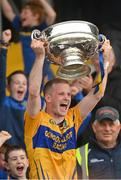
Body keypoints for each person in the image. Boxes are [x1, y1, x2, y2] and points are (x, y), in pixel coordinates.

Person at [24, 38, 109, 179]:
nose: (67, 98)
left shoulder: (72, 117)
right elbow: (33, 93)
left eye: (69, 94)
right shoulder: (36, 120)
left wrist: (103, 60)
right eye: (61, 94)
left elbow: (98, 94)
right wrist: (40, 57)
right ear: (48, 98)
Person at [1, 0, 56, 78]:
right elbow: (8, 12)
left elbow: (52, 15)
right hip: (26, 73)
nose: (21, 15)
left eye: (25, 12)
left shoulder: (42, 28)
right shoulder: (21, 26)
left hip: (43, 72)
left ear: (35, 16)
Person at [77, 106, 121, 179]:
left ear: (119, 128)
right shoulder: (81, 154)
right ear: (94, 128)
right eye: (103, 124)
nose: (107, 129)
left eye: (111, 124)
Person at [0, 29, 27, 147]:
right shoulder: (3, 102)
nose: (21, 86)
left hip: (25, 160)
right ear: (8, 86)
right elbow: (1, 76)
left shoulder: (32, 106)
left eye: (24, 83)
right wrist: (4, 47)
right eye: (17, 82)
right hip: (6, 158)